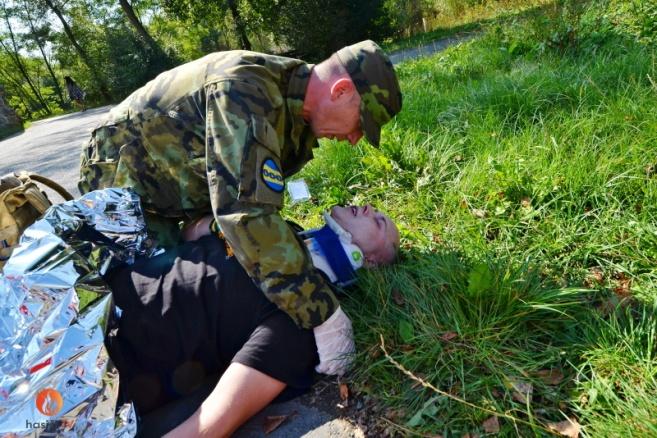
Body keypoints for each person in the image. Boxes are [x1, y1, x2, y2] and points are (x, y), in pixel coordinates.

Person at [79, 40, 402, 376]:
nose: (355, 139)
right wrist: (322, 315)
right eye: (361, 124)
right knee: (140, 304)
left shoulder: (293, 114)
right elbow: (247, 213)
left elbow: (249, 199)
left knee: (197, 284)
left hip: (178, 186)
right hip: (123, 182)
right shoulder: (247, 91)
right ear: (341, 91)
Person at [103, 204, 400, 437]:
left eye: (378, 221)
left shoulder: (306, 318)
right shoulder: (279, 230)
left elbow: (212, 423)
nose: (368, 208)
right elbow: (190, 233)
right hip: (98, 290)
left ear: (369, 262)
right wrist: (223, 224)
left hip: (106, 356)